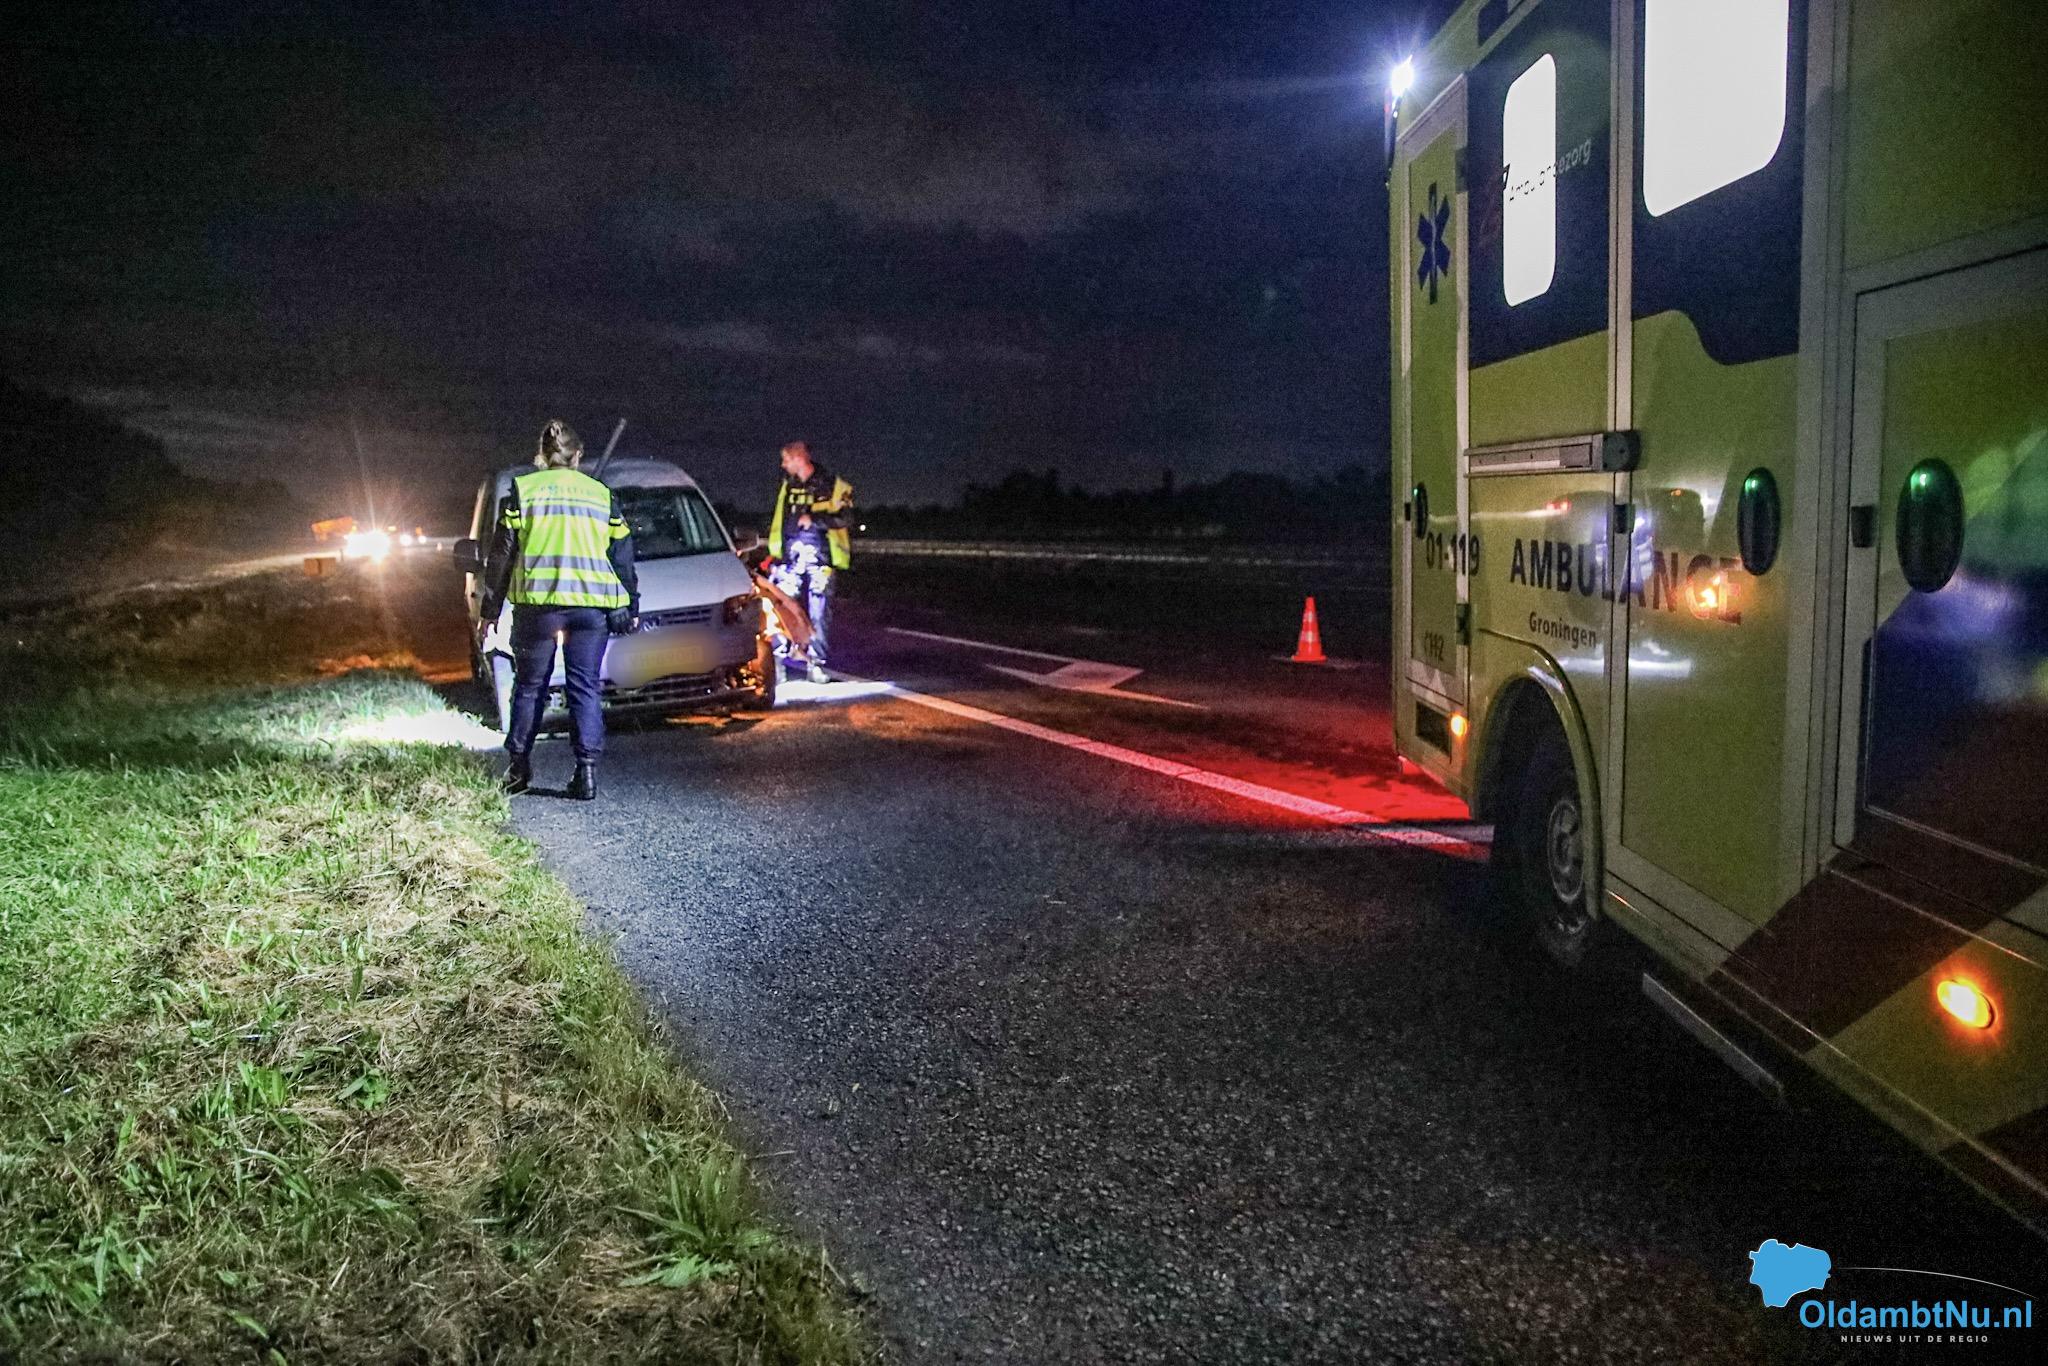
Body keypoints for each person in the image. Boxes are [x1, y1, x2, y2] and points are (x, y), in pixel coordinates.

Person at [480, 419, 639, 799]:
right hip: (590, 609)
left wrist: (491, 609)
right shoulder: (600, 495)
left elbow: (502, 554)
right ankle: (586, 772)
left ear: (542, 456)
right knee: (584, 686)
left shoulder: (524, 491)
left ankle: (518, 769)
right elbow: (622, 556)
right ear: (578, 455)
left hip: (538, 608)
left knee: (529, 687)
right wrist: (630, 603)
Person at [764, 440, 853, 683]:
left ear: (799, 458)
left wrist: (815, 519)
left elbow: (846, 518)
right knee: (780, 607)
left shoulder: (833, 485)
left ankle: (816, 664)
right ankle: (778, 662)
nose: (783, 465)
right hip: (791, 557)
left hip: (821, 557)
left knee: (819, 611)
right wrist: (776, 554)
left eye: (786, 460)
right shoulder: (788, 486)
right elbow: (780, 520)